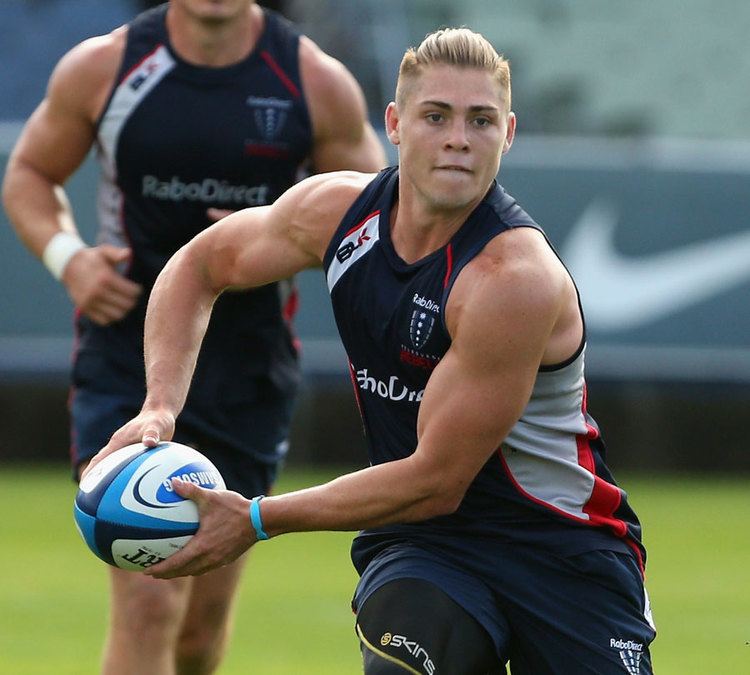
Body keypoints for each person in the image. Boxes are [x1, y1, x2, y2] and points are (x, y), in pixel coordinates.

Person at [83, 27, 656, 674]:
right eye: (435, 116)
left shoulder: (511, 280)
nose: (459, 139)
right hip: (428, 549)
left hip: (562, 556)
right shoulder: (336, 213)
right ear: (394, 123)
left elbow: (436, 478)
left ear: (509, 133)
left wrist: (256, 517)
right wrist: (159, 407)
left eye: (481, 121)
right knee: (405, 658)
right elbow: (195, 268)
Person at [2, 2, 385, 674]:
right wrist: (70, 257)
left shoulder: (313, 81)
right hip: (124, 357)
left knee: (199, 635)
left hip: (246, 368)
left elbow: (378, 222)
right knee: (148, 597)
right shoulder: (106, 66)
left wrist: (273, 235)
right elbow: (29, 173)